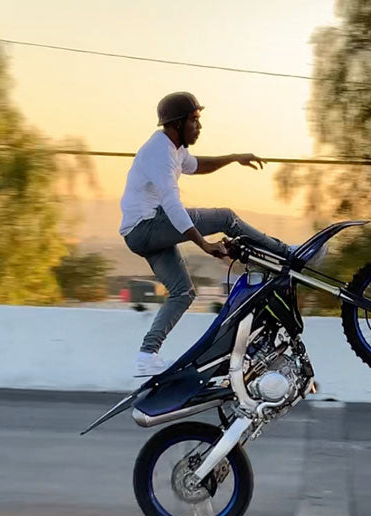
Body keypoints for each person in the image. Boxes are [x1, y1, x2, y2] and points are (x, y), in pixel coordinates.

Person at [119, 91, 290, 377]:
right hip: (146, 226)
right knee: (225, 217)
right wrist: (204, 244)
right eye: (194, 121)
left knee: (182, 293)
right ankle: (286, 252)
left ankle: (146, 356)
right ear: (176, 124)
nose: (199, 127)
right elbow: (172, 204)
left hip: (140, 232)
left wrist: (235, 157)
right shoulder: (159, 152)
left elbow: (198, 165)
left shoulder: (175, 148)